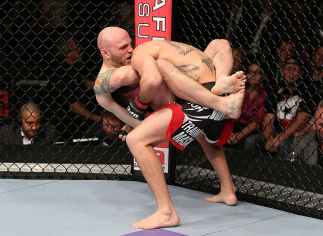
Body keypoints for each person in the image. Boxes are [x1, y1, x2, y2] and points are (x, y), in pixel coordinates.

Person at [95, 27, 244, 229]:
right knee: (217, 46)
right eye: (123, 48)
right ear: (105, 53)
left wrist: (138, 106)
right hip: (199, 107)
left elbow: (132, 82)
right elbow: (132, 118)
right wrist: (141, 125)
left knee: (135, 139)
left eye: (130, 43)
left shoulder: (136, 61)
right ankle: (228, 189)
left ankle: (166, 212)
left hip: (199, 105)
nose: (131, 49)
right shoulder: (107, 86)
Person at [45, 31, 101, 141]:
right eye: (76, 48)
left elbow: (85, 82)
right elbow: (72, 105)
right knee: (99, 125)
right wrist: (94, 117)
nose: (79, 49)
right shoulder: (60, 71)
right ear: (67, 53)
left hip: (84, 111)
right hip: (70, 118)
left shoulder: (72, 68)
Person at [259, 57, 315, 158]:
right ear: (281, 70)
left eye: (295, 69)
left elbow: (300, 122)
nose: (291, 72)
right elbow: (268, 120)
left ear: (301, 72)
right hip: (275, 132)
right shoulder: (276, 89)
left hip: (294, 134)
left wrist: (278, 139)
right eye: (287, 68)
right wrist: (270, 139)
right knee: (251, 141)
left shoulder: (307, 91)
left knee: (284, 145)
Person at [227, 58, 267, 152]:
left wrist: (238, 136)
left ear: (264, 76)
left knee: (250, 142)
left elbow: (257, 122)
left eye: (258, 72)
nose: (253, 75)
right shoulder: (239, 88)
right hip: (232, 125)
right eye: (250, 72)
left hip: (251, 130)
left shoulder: (264, 94)